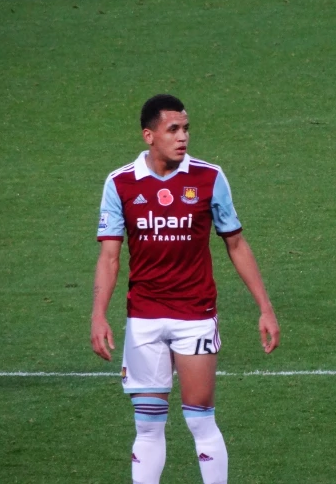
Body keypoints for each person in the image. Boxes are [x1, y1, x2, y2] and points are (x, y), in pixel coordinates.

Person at [90, 94, 280, 484]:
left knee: (199, 419)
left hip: (194, 315)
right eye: (173, 129)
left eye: (186, 129)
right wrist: (98, 315)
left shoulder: (209, 177)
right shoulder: (120, 182)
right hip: (142, 318)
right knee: (147, 427)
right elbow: (109, 257)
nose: (183, 137)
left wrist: (265, 306)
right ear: (149, 135)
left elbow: (236, 243)